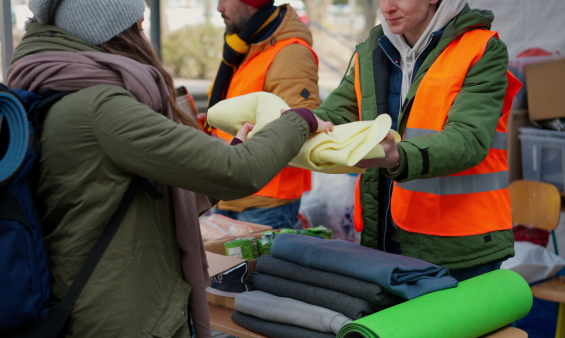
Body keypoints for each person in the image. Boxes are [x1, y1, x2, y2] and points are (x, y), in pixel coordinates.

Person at [5, 0, 332, 337]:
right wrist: (298, 120)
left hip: (97, 304)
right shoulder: (99, 106)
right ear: (114, 31)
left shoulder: (56, 87)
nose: (145, 39)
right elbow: (238, 171)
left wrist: (227, 156)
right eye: (140, 26)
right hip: (123, 316)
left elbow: (143, 185)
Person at [311, 0, 522, 282]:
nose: (387, 7)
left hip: (460, 245)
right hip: (383, 234)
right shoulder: (371, 51)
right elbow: (334, 114)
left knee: (455, 327)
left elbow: (468, 139)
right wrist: (295, 122)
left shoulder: (482, 49)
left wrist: (397, 155)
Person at [208, 0, 320, 229]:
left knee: (257, 266)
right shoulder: (246, 46)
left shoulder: (290, 54)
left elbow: (297, 131)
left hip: (265, 202)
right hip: (231, 190)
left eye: (225, 1)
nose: (219, 8)